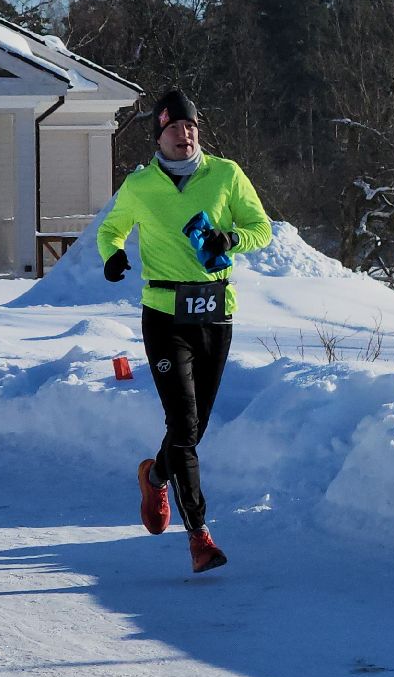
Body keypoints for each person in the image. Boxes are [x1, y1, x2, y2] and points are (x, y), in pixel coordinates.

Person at [97, 89, 272, 572]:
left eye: (191, 126)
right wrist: (112, 255)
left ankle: (154, 476)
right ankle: (199, 536)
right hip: (163, 312)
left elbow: (262, 228)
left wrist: (230, 238)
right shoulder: (140, 186)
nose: (185, 134)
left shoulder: (226, 174)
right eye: (174, 127)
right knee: (185, 425)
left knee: (193, 428)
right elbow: (110, 229)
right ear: (159, 135)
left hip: (215, 313)